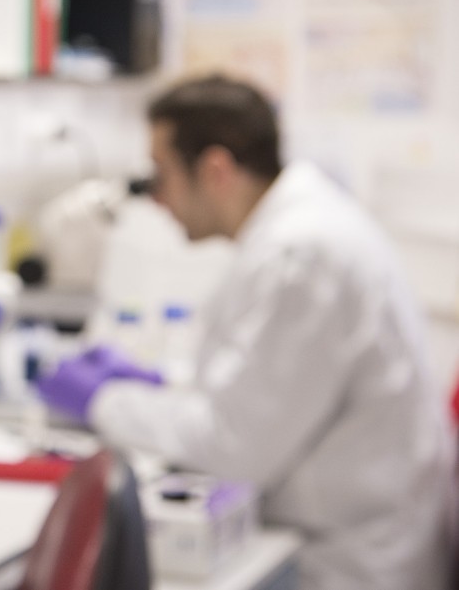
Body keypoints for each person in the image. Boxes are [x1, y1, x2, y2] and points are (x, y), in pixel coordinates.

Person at [37, 74, 455, 590]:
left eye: (161, 174)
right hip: (333, 538)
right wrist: (160, 382)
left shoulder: (303, 255)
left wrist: (104, 400)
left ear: (215, 169)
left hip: (350, 565)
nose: (157, 199)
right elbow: (251, 386)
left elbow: (234, 448)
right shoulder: (297, 232)